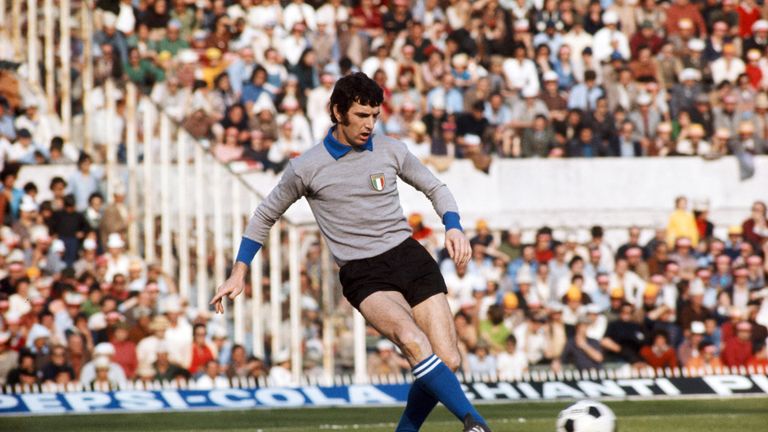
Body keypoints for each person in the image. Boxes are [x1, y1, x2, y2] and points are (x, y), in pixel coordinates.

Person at [210, 72, 490, 432]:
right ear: (337, 111)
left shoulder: (391, 149)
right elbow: (264, 215)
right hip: (363, 272)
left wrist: (453, 225)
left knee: (448, 360)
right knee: (412, 339)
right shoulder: (305, 167)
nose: (369, 124)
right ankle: (476, 424)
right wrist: (239, 270)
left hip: (409, 257)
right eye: (361, 115)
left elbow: (436, 187)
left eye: (374, 115)